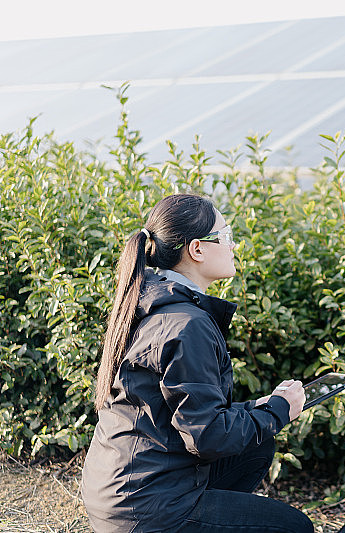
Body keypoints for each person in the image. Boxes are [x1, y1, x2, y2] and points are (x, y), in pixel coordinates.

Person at [81, 193, 314, 532]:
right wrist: (278, 411)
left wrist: (260, 408)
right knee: (294, 527)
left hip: (122, 489)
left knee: (258, 446)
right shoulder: (187, 324)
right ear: (197, 249)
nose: (232, 246)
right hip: (146, 507)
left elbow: (184, 414)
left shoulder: (150, 300)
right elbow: (207, 438)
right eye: (226, 236)